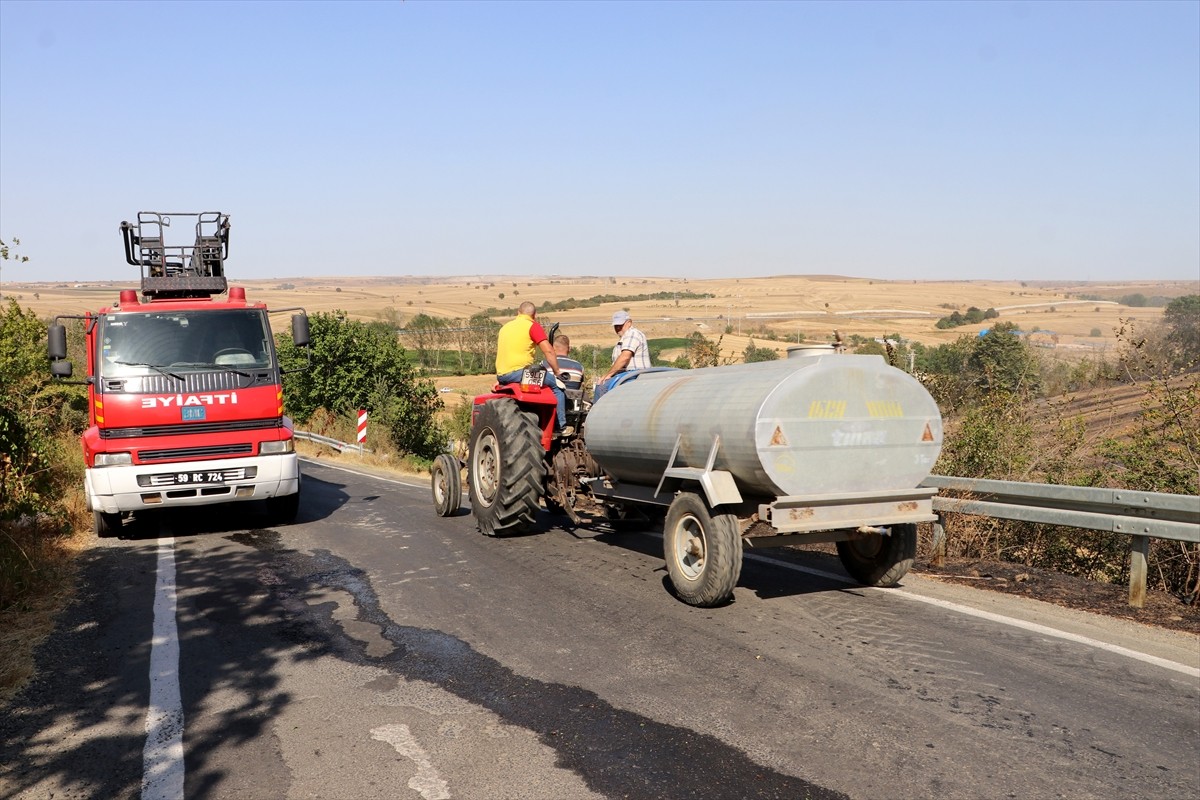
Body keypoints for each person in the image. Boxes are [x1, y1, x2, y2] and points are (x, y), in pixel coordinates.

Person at [495, 301, 572, 436]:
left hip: (502, 375)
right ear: (534, 315)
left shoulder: (505, 328)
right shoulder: (532, 326)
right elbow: (549, 351)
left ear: (518, 312)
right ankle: (560, 427)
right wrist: (557, 372)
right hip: (521, 373)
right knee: (557, 387)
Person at [594, 310, 650, 401]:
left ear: (629, 323)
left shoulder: (632, 334)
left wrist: (608, 375)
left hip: (635, 374)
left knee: (602, 386)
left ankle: (599, 409)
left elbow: (625, 357)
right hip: (628, 374)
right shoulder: (625, 338)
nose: (618, 328)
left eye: (620, 325)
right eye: (616, 326)